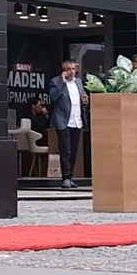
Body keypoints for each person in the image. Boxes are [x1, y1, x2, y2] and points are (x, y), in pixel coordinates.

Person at [46, 59, 89, 188]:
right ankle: (65, 178)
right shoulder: (56, 82)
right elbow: (53, 97)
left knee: (74, 150)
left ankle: (70, 177)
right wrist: (62, 83)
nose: (72, 71)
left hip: (77, 121)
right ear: (64, 71)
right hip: (63, 121)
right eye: (69, 69)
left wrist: (85, 101)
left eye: (73, 69)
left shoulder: (79, 83)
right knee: (66, 150)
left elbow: (81, 100)